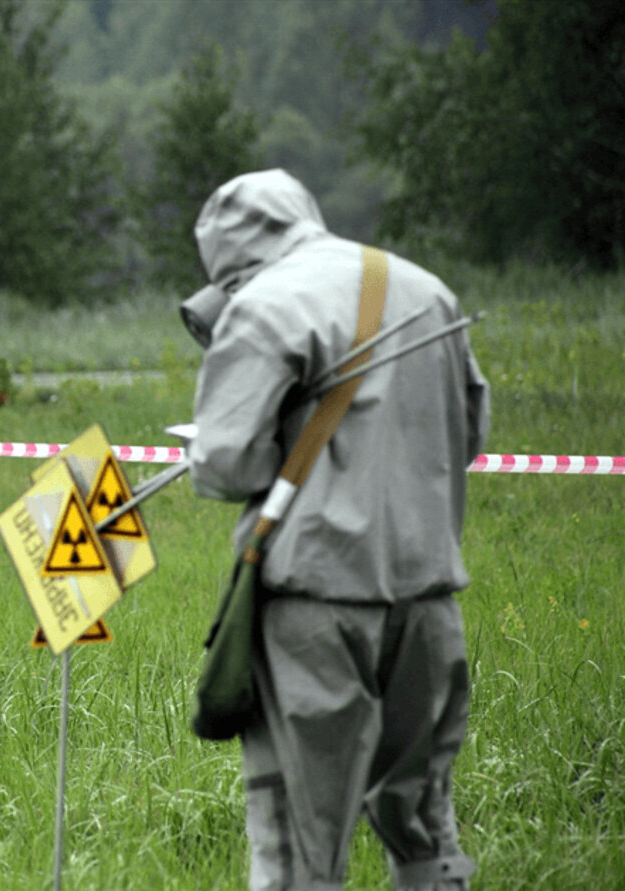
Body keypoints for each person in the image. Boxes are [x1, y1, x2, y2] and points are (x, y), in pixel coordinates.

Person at [181, 169, 489, 890]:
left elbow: (224, 465)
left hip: (313, 602)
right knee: (424, 825)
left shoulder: (262, 305)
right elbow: (469, 435)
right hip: (429, 599)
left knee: (298, 842)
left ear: (225, 257)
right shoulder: (424, 288)